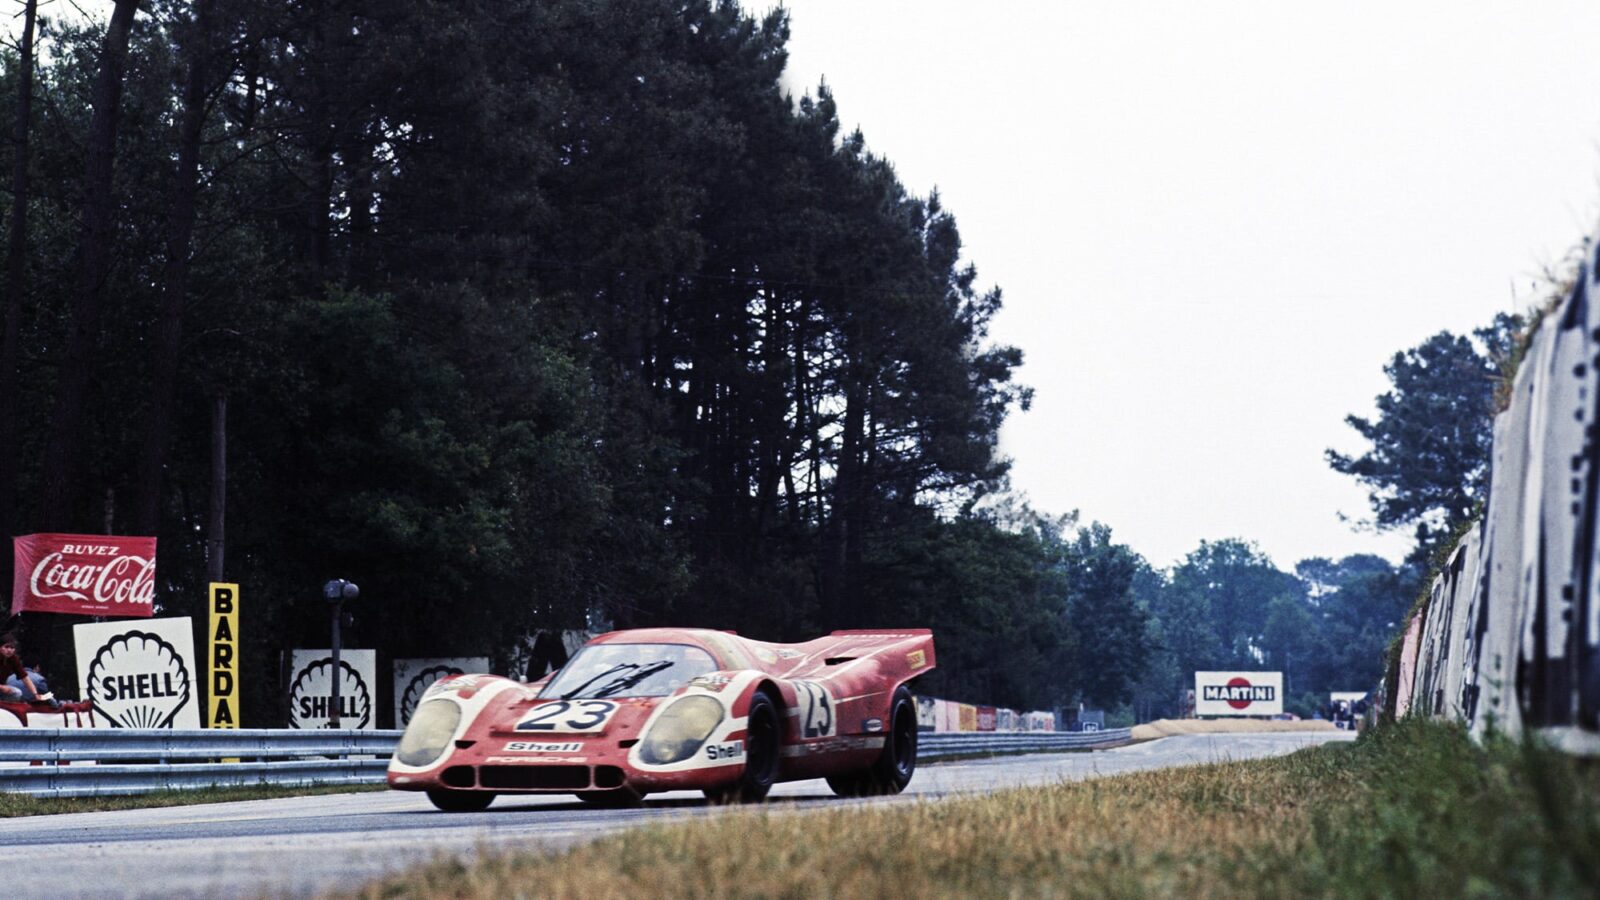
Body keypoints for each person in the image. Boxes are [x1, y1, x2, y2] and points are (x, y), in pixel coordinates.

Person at [0, 633, 54, 705]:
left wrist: (35, 694)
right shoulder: (39, 679)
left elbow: (25, 678)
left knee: (19, 696)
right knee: (16, 692)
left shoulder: (13, 659)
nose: (9, 650)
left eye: (12, 647)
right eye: (6, 647)